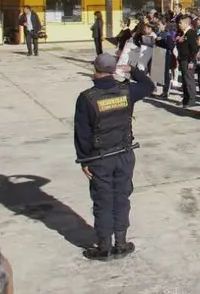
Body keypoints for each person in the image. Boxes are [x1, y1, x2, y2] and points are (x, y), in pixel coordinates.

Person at [74, 54, 153, 260]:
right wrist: (132, 70)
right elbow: (148, 85)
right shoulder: (127, 91)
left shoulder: (87, 98)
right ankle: (121, 242)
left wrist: (84, 160)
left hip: (101, 158)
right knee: (121, 198)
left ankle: (104, 247)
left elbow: (82, 133)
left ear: (95, 69)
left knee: (103, 201)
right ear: (113, 70)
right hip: (124, 154)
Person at [175, 16, 199, 107]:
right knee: (184, 80)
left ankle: (192, 99)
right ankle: (186, 98)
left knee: (189, 80)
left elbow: (194, 49)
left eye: (180, 23)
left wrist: (191, 62)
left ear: (186, 23)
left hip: (188, 60)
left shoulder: (191, 33)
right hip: (182, 59)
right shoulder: (183, 33)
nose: (179, 24)